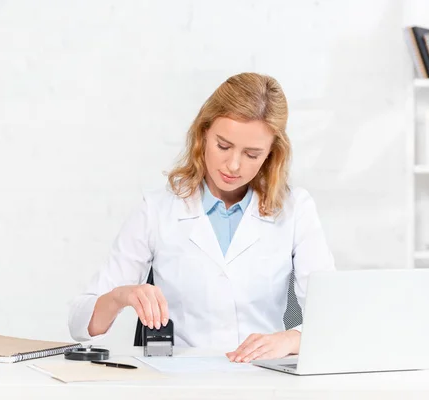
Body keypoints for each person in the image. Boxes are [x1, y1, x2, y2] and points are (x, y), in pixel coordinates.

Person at [68, 72, 335, 363]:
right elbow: (80, 324)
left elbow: (335, 318)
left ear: (272, 154)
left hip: (262, 379)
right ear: (204, 132)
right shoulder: (157, 210)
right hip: (182, 382)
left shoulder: (296, 209)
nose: (233, 165)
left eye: (252, 154)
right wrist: (121, 295)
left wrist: (291, 339)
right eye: (223, 146)